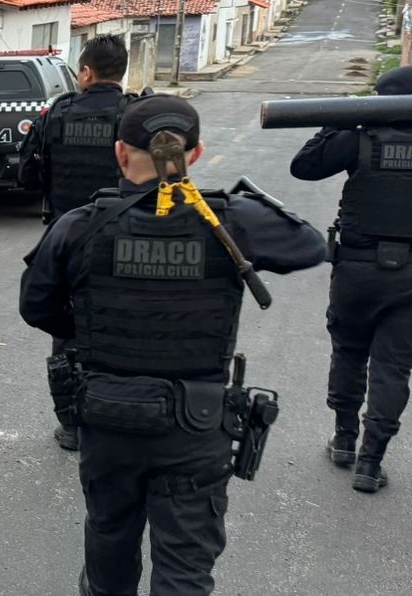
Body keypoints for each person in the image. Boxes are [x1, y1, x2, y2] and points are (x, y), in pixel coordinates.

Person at [20, 96, 325, 596]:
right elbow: (310, 244)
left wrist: (92, 332)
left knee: (109, 539)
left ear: (120, 154)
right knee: (184, 569)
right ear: (196, 153)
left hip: (107, 413)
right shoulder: (230, 223)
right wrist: (235, 202)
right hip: (195, 424)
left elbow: (37, 308)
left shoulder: (79, 226)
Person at [289, 65, 412, 493]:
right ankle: (369, 462)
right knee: (393, 368)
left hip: (356, 270)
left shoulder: (360, 139)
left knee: (349, 352)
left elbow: (304, 165)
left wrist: (340, 117)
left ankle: (344, 440)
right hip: (409, 279)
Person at [18, 34, 142, 453]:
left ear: (85, 72)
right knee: (126, 324)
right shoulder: (136, 115)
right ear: (121, 73)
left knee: (68, 327)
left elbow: (27, 174)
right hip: (128, 234)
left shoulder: (57, 113)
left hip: (67, 236)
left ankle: (72, 424)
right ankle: (123, 417)